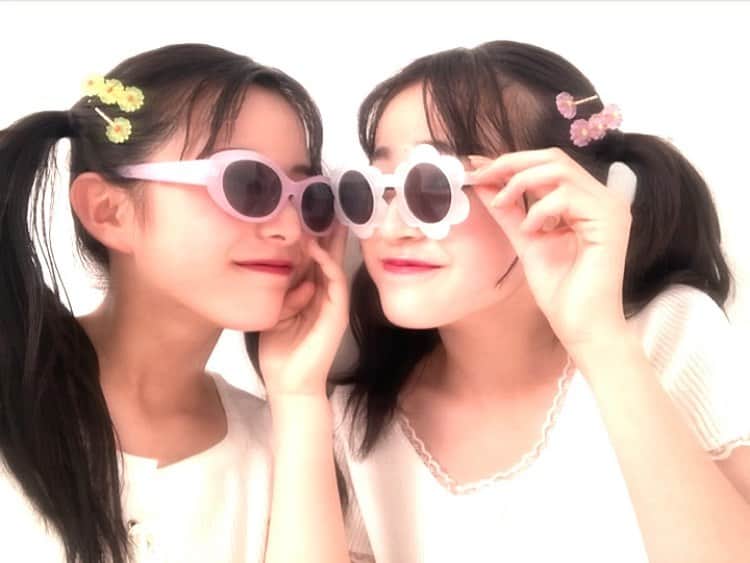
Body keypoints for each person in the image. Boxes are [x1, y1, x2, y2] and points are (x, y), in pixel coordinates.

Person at [330, 40, 750, 562]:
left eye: (434, 187)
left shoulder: (667, 335)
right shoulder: (356, 426)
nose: (393, 228)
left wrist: (599, 340)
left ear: (556, 193)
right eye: (377, 188)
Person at [0, 42, 347, 563]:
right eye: (248, 184)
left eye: (309, 197)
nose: (290, 228)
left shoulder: (288, 445)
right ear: (108, 211)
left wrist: (298, 397)